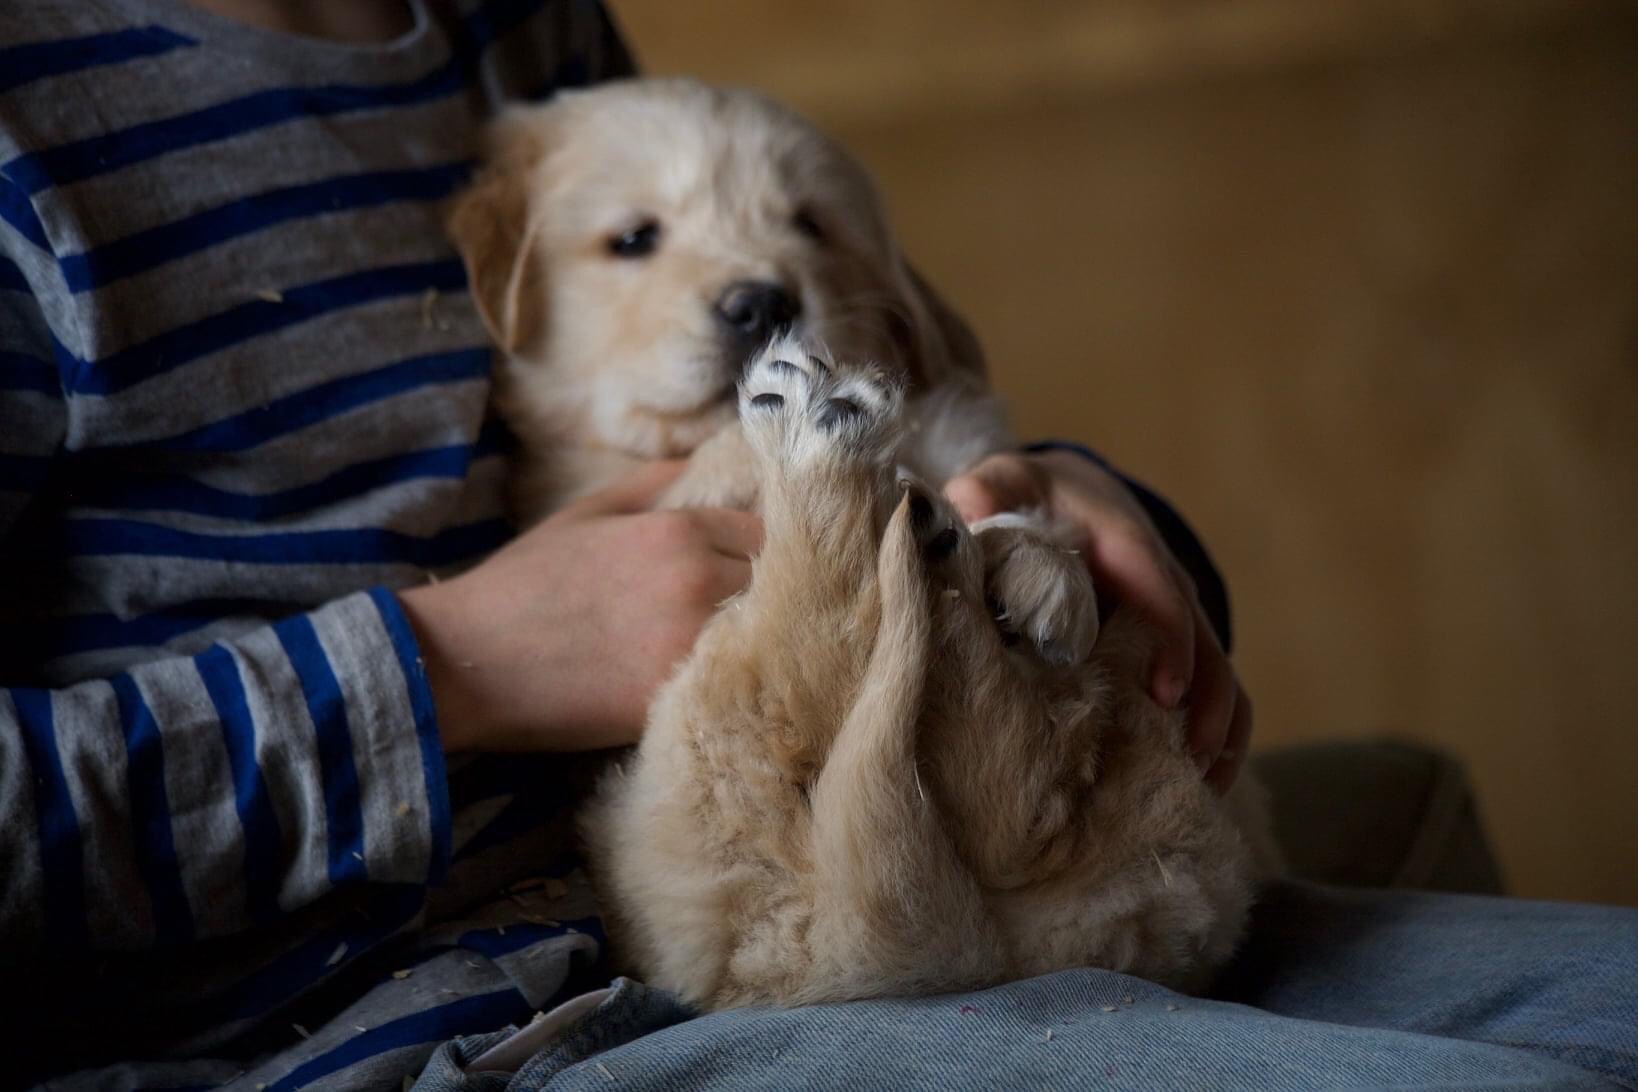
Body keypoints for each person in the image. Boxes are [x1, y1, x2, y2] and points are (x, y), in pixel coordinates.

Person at [0, 3, 1631, 1090]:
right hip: (396, 1044)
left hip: (726, 915)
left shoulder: (509, 26)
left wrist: (1077, 507)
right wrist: (458, 668)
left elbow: (831, 373)